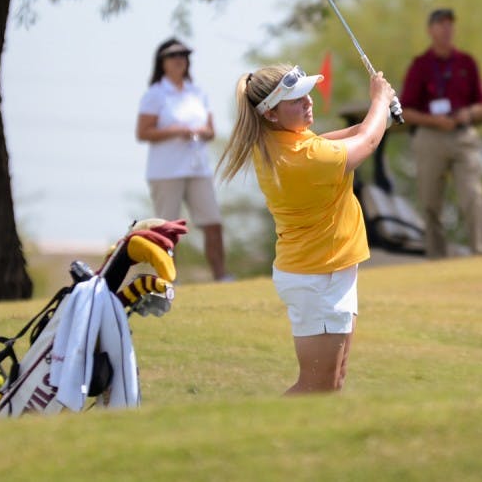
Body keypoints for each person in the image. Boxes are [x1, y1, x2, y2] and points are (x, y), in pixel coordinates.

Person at [218, 63, 395, 394]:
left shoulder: (281, 140)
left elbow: (338, 140)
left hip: (328, 272)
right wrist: (380, 101)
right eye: (296, 99)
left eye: (307, 94)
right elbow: (367, 143)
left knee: (333, 381)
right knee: (316, 387)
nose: (308, 101)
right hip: (318, 279)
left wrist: (377, 116)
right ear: (271, 113)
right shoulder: (305, 158)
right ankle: (251, 438)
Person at [136, 38, 232, 282]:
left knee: (213, 222)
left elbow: (211, 131)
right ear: (162, 62)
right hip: (166, 171)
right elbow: (143, 132)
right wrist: (176, 130)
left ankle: (220, 276)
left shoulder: (197, 93)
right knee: (167, 229)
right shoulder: (155, 94)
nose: (180, 59)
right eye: (174, 55)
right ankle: (169, 279)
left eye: (184, 55)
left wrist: (200, 132)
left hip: (198, 168)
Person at [399, 8, 482, 258]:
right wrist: (434, 121)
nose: (446, 29)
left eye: (450, 24)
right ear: (430, 30)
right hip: (430, 136)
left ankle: (480, 252)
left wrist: (468, 114)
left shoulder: (466, 63)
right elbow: (405, 110)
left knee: (473, 195)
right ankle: (436, 258)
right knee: (430, 202)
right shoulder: (420, 65)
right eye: (441, 24)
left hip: (462, 136)